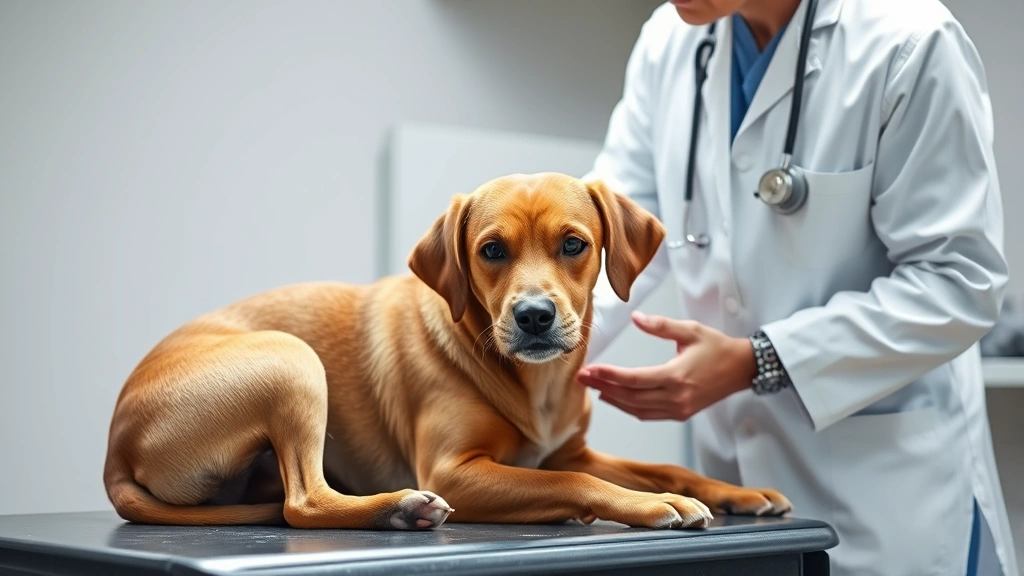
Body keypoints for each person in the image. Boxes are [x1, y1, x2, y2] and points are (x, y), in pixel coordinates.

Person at [577, 0, 1019, 575]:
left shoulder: (910, 39)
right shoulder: (671, 42)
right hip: (739, 504)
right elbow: (609, 231)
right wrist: (523, 350)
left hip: (884, 502)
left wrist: (757, 360)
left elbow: (959, 282)